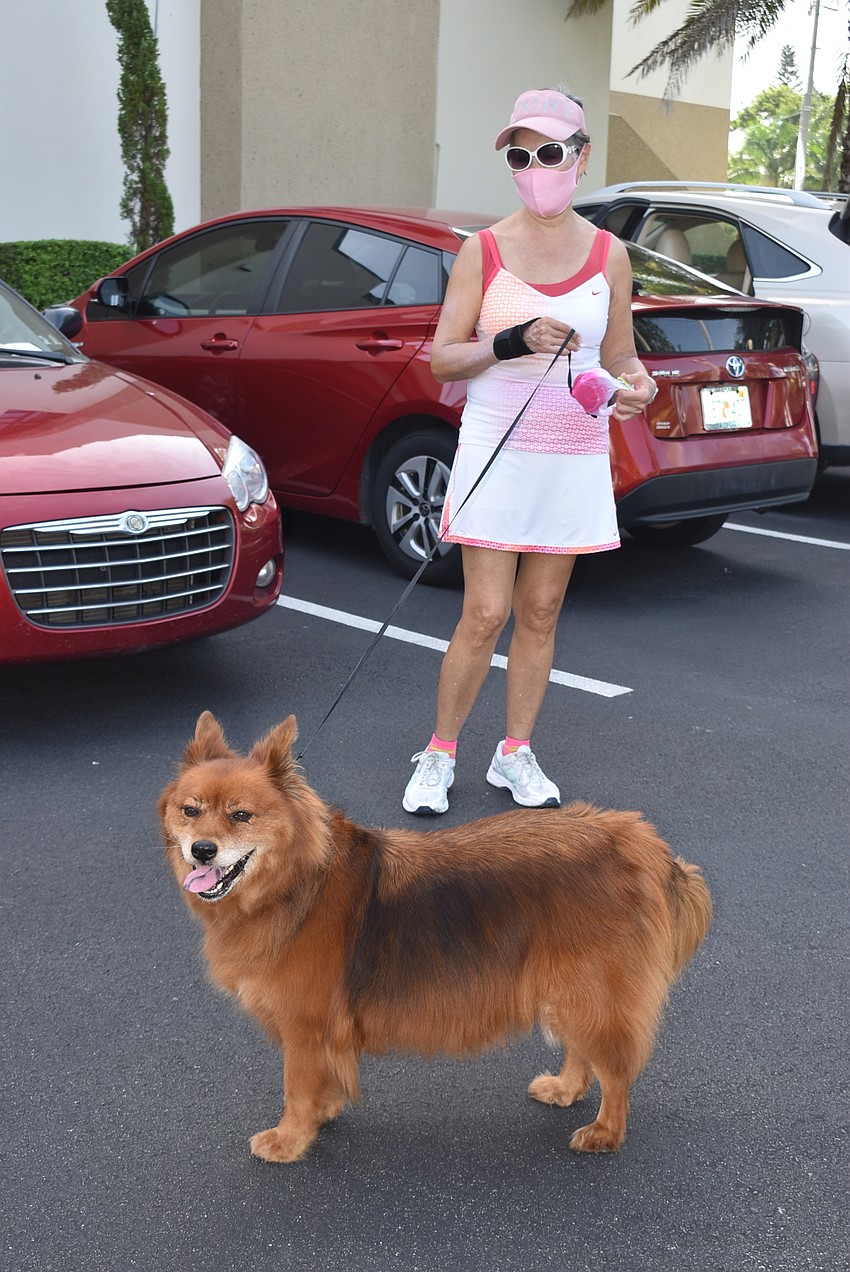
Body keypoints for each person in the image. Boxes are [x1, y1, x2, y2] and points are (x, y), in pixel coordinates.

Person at [402, 87, 657, 816]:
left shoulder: (609, 254)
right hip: (497, 446)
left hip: (574, 448)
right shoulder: (481, 249)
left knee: (540, 611)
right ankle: (439, 753)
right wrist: (512, 340)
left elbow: (620, 354)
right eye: (520, 157)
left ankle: (514, 752)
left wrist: (636, 386)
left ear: (581, 157)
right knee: (485, 612)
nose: (534, 168)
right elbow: (443, 360)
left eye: (548, 153)